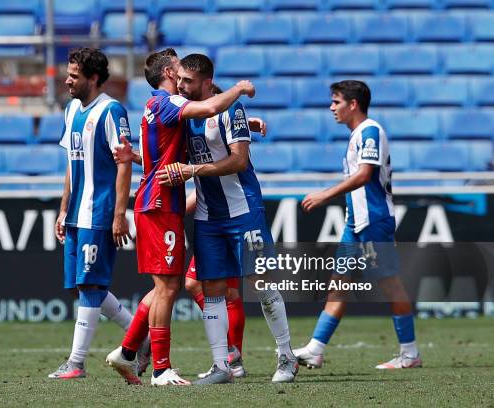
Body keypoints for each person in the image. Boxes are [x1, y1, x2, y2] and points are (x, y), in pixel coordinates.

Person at [105, 48, 256, 386]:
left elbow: (163, 157)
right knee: (169, 287)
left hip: (161, 204)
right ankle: (160, 368)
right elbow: (212, 106)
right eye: (178, 68)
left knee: (166, 286)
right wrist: (240, 90)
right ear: (169, 74)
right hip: (160, 206)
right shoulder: (168, 102)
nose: (182, 73)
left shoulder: (156, 107)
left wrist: (243, 124)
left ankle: (128, 351)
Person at [157, 54, 299, 384]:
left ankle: (286, 356)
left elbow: (238, 161)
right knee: (212, 288)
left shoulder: (230, 108)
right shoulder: (183, 113)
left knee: (260, 284)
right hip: (208, 217)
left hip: (244, 212)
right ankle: (222, 365)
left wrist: (192, 170)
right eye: (179, 80)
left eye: (188, 81)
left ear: (207, 83)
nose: (180, 85)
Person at [296, 80, 422, 370]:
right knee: (338, 284)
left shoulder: (370, 131)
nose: (331, 107)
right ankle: (316, 349)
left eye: (336, 101)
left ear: (353, 104)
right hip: (356, 223)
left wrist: (325, 194)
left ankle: (410, 353)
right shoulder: (356, 135)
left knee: (390, 285)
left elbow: (365, 175)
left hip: (374, 221)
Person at [48, 48, 139, 379]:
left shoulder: (112, 111)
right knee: (79, 286)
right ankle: (138, 337)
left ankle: (76, 362)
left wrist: (119, 213)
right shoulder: (72, 109)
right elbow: (71, 166)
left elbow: (124, 163)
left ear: (94, 78)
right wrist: (62, 209)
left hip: (98, 212)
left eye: (74, 75)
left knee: (90, 285)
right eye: (68, 73)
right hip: (74, 214)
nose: (68, 80)